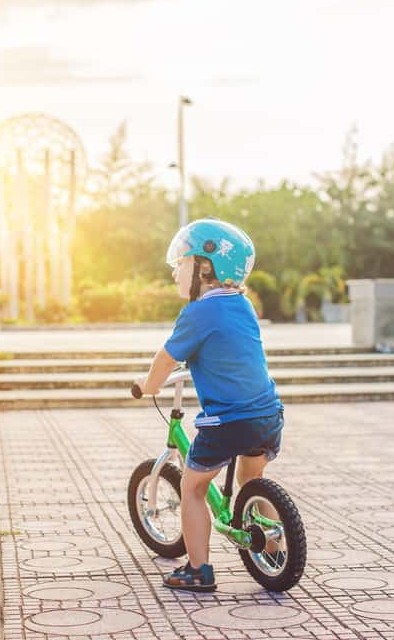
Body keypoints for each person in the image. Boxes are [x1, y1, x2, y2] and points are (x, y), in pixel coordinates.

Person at [133, 218, 283, 593]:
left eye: (180, 265)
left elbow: (165, 361)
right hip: (267, 414)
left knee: (193, 487)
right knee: (253, 479)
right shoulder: (242, 305)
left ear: (205, 268)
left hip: (228, 422)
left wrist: (147, 386)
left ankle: (198, 570)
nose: (175, 274)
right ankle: (276, 547)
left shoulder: (197, 313)